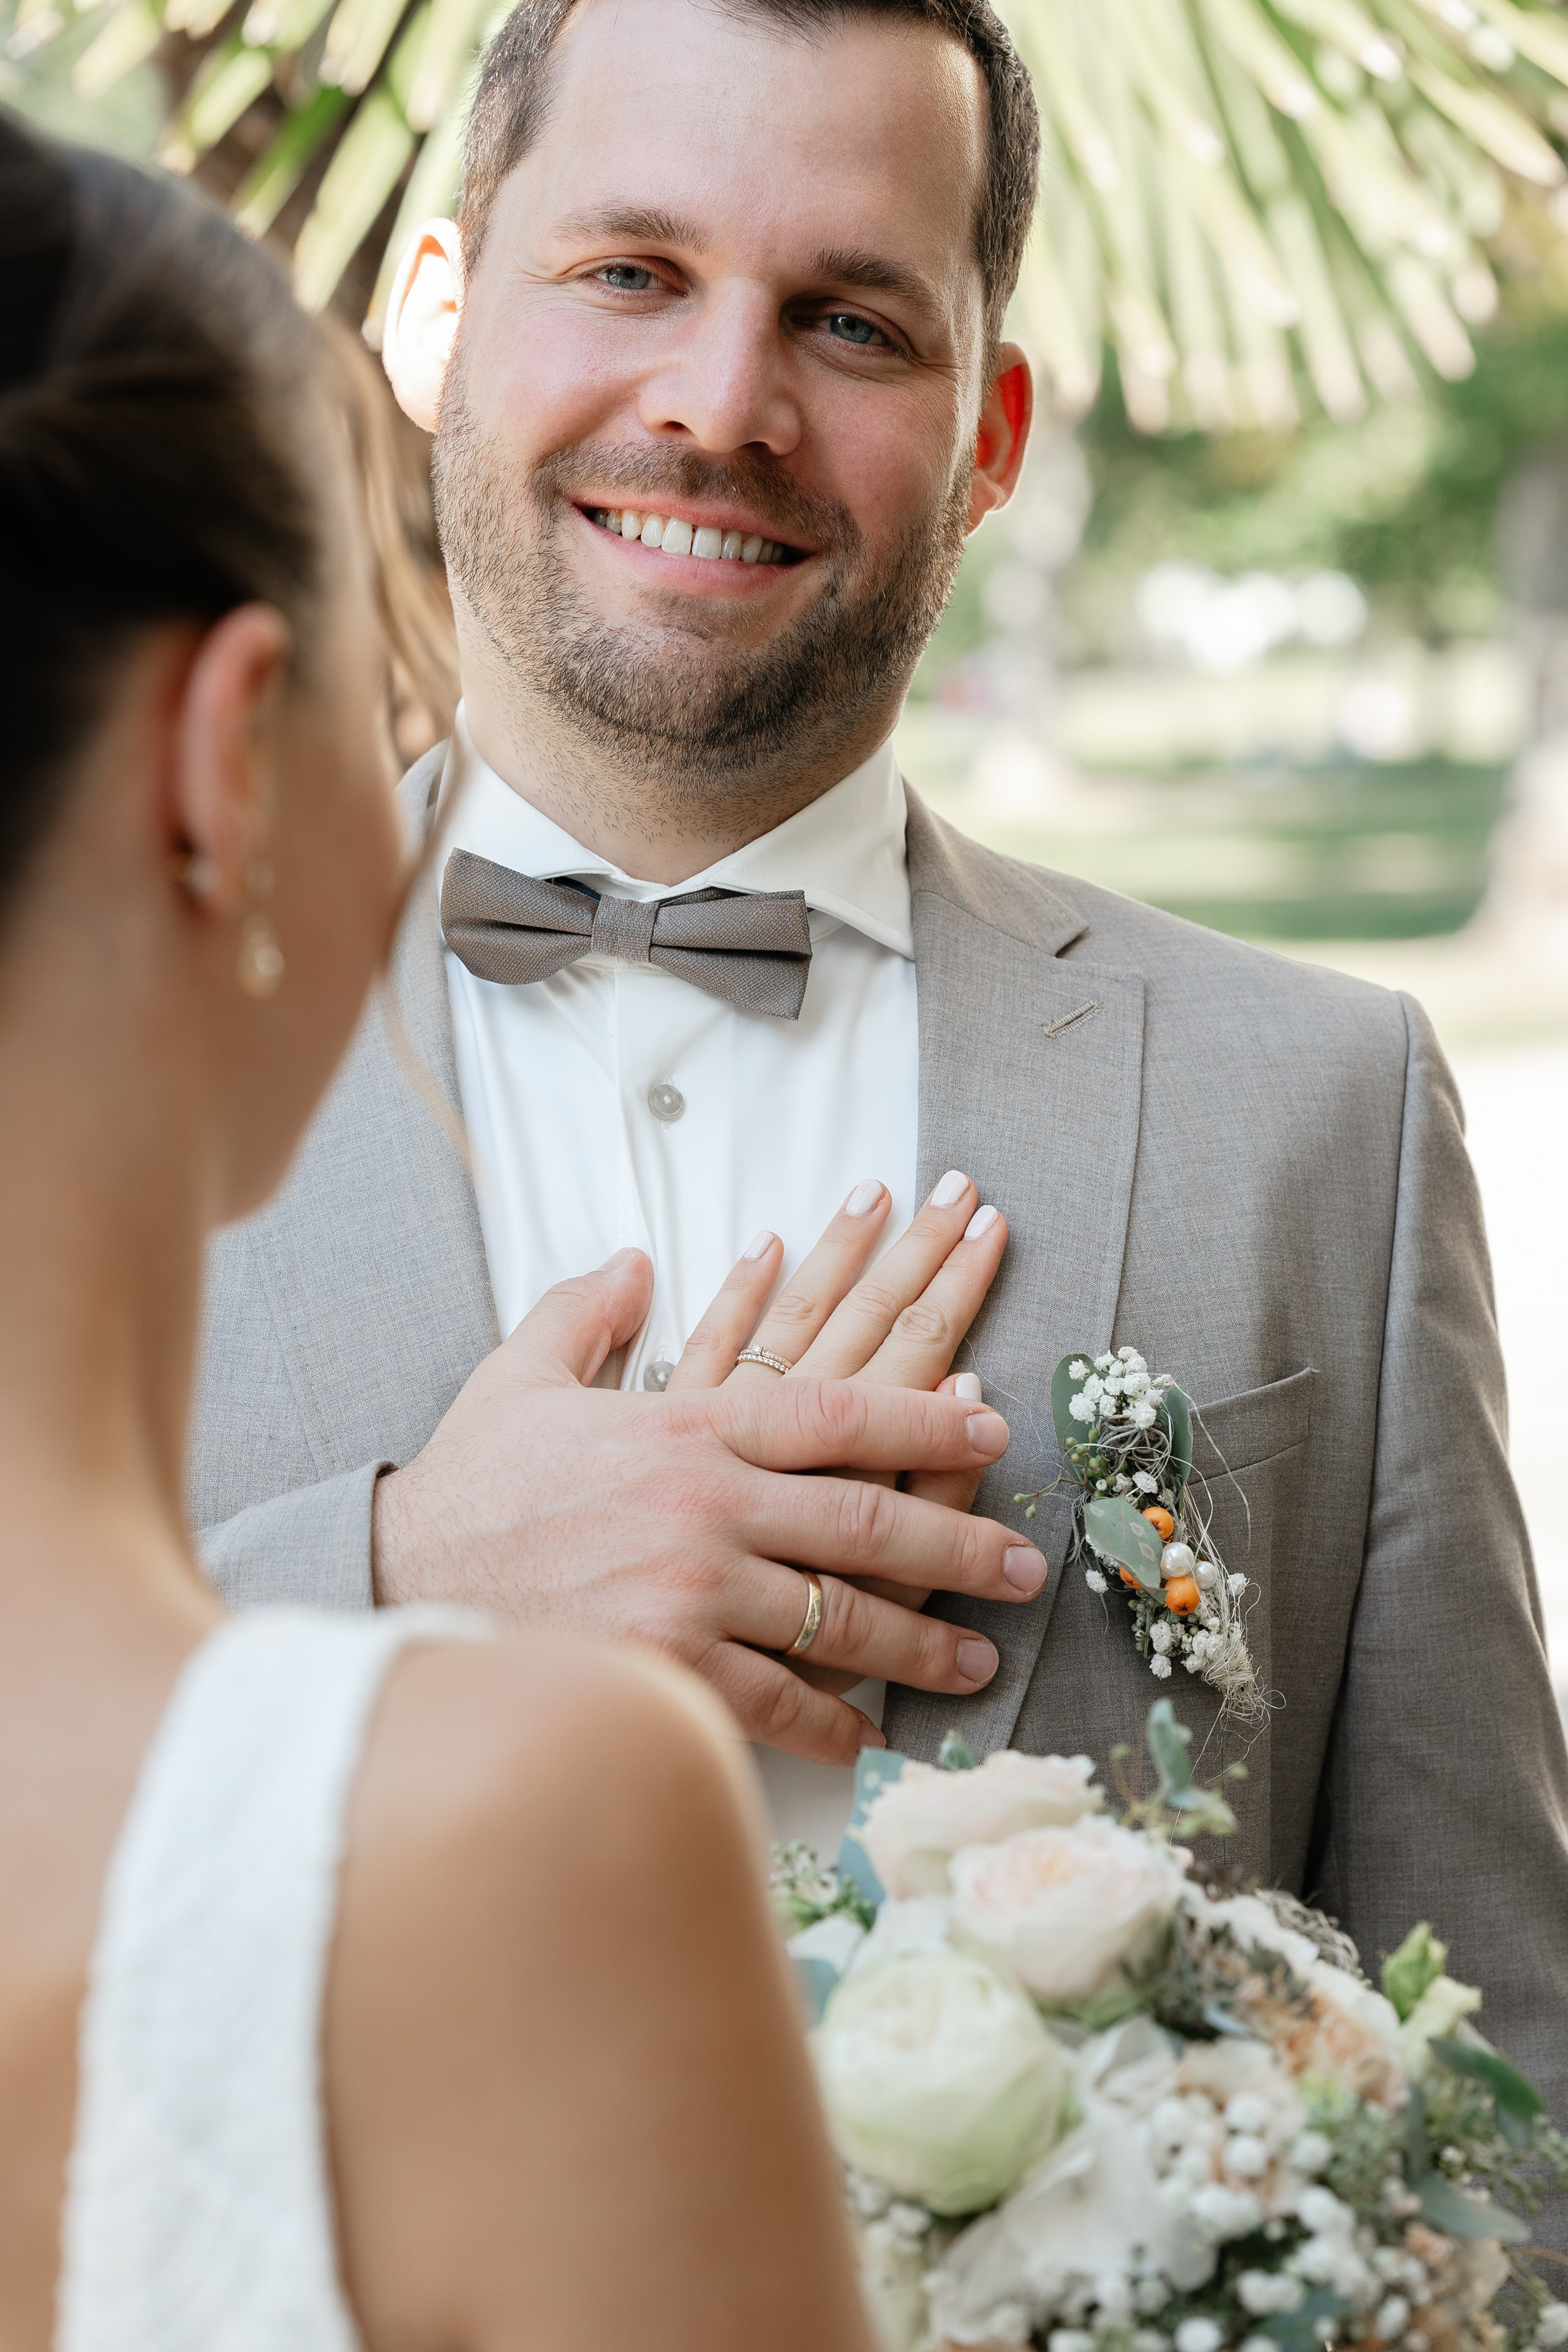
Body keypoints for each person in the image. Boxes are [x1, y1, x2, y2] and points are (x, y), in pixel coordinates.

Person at [189, 0, 1568, 2125]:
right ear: (441, 315)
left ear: (994, 431)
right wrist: (390, 1580)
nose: (723, 403)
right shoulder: (81, 1064)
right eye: (630, 272)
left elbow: (1496, 2082)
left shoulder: (1325, 1115)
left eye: (849, 321)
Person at [0, 112, 949, 2346]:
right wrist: (404, 1563)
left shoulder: (1308, 1093)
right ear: (228, 765)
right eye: (381, 681)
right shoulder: (523, 1823)